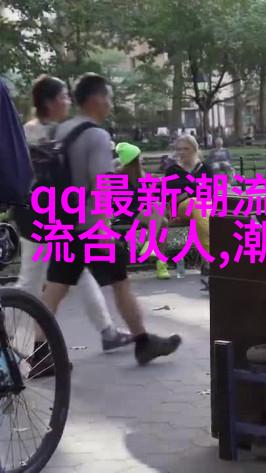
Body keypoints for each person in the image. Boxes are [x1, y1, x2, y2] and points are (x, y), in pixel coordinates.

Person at [40, 73, 181, 366]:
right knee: (120, 282)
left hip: (63, 223)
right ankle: (143, 342)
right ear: (96, 99)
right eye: (108, 97)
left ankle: (39, 353)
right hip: (90, 227)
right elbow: (102, 184)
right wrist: (104, 228)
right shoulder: (96, 135)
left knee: (55, 288)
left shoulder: (61, 130)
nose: (109, 104)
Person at [14, 75, 134, 352]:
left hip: (55, 217)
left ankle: (106, 330)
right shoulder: (35, 132)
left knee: (77, 273)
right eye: (64, 97)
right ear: (51, 102)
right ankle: (19, 341)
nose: (68, 102)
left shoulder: (55, 131)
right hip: (43, 217)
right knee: (31, 281)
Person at [113, 142, 172, 279]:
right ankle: (155, 254)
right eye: (139, 157)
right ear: (133, 160)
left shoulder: (141, 176)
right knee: (160, 218)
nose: (142, 160)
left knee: (162, 221)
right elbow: (122, 203)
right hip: (126, 213)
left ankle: (158, 260)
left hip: (143, 212)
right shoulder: (117, 177)